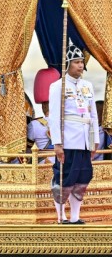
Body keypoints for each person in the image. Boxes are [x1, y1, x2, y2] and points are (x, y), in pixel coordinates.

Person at [49, 39, 99, 225]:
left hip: (85, 140)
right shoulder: (58, 87)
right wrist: (57, 143)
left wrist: (94, 140)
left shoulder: (88, 86)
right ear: (68, 64)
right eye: (77, 62)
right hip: (68, 140)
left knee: (82, 178)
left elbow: (93, 114)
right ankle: (61, 217)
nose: (81, 65)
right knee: (66, 178)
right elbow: (54, 117)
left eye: (81, 62)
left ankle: (75, 217)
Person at [27, 67, 60, 164]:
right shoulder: (68, 122)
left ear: (43, 106)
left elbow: (28, 149)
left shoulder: (34, 125)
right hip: (65, 165)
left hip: (42, 168)